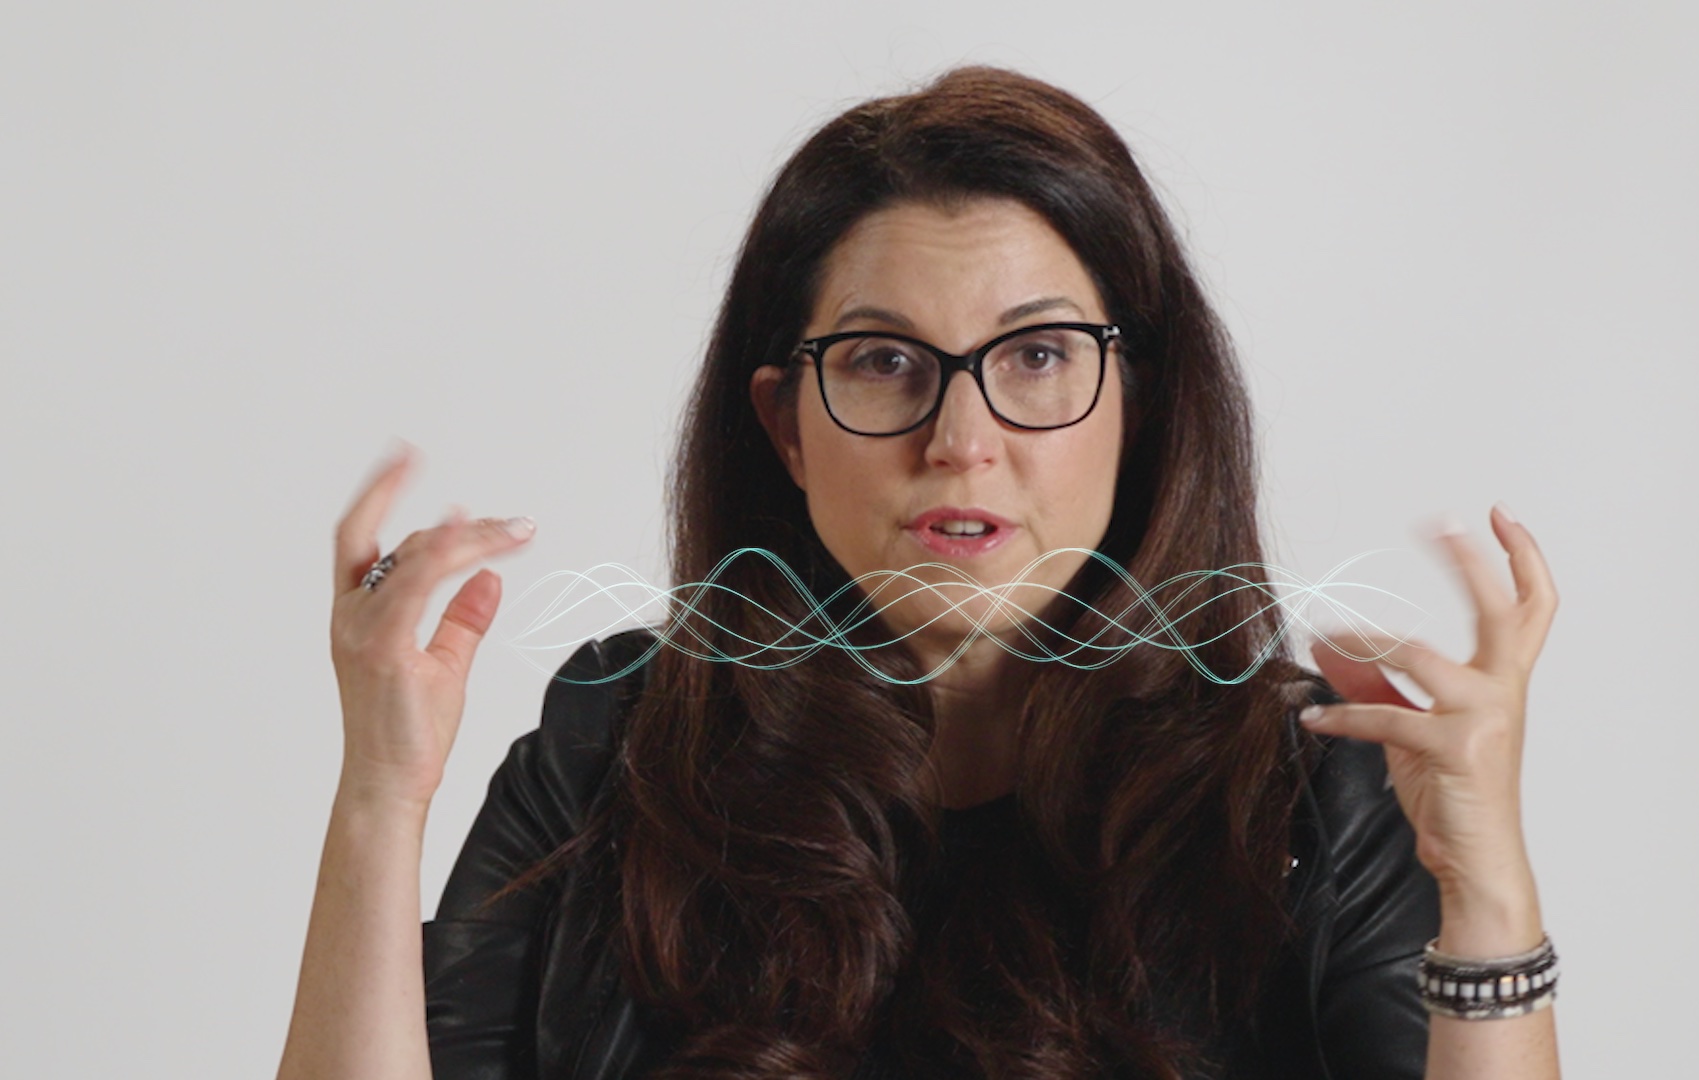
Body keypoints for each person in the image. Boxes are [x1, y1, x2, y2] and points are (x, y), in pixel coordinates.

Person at [277, 66, 1562, 1079]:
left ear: (1139, 407)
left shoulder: (1307, 792)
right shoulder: (612, 746)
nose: (961, 440)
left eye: (1038, 357)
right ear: (786, 425)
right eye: (885, 363)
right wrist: (383, 793)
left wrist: (1488, 889)